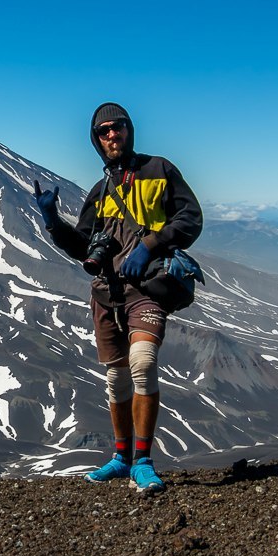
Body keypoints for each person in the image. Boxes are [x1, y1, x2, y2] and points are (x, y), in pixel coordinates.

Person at [33, 102, 202, 493]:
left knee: (142, 362)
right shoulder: (100, 191)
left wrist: (152, 243)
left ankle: (143, 460)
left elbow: (191, 217)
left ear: (130, 130)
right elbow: (83, 246)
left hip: (148, 287)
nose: (112, 135)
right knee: (117, 378)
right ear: (96, 140)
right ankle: (121, 457)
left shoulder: (159, 170)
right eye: (103, 131)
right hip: (107, 294)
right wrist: (53, 222)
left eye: (118, 127)